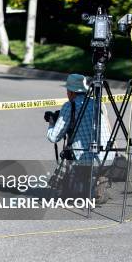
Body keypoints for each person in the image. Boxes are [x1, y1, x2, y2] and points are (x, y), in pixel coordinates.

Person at [46, 73, 113, 202]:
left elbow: (53, 138)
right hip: (108, 158)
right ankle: (98, 185)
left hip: (87, 161)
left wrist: (51, 123)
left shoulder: (69, 106)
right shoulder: (97, 103)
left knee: (69, 150)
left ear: (71, 92)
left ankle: (74, 188)